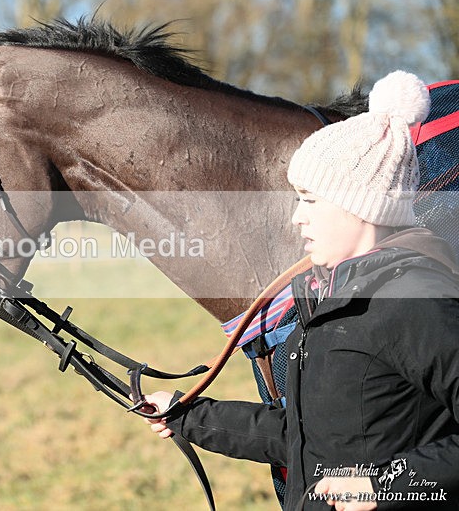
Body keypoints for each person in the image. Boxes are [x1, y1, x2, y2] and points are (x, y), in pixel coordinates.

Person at [145, 71, 459, 510]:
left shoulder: (416, 300)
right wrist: (187, 415)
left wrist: (387, 484)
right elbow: (306, 437)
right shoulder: (330, 304)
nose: (298, 218)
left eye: (310, 199)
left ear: (360, 206)